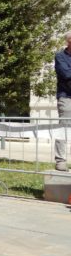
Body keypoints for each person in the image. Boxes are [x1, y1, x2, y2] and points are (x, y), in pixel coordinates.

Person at [54, 31, 71, 172]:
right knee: (63, 129)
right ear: (69, 41)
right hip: (66, 97)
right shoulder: (60, 56)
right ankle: (60, 161)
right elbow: (66, 74)